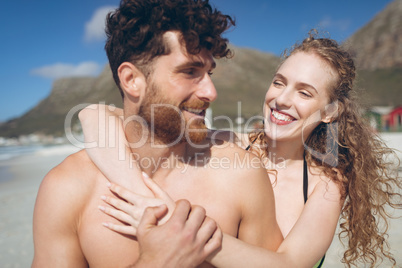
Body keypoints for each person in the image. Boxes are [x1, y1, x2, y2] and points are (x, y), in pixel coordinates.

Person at [79, 31, 402, 267]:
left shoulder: (326, 184)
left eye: (304, 93)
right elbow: (92, 114)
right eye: (279, 82)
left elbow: (288, 265)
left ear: (330, 111)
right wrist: (146, 199)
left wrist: (180, 229)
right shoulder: (231, 145)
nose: (282, 99)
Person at [32, 0, 284, 267]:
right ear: (131, 80)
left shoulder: (240, 173)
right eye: (190, 71)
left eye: (208, 73)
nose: (211, 92)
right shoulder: (68, 188)